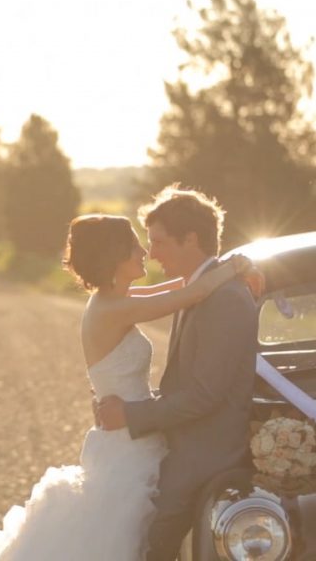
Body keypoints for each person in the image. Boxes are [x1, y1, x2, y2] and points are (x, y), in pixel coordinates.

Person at [0, 201, 251, 560]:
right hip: (127, 437)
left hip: (137, 429)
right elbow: (191, 293)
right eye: (136, 246)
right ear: (115, 257)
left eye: (151, 243)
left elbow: (182, 287)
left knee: (135, 534)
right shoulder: (113, 309)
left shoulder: (117, 299)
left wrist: (223, 270)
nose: (145, 253)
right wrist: (239, 265)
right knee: (124, 536)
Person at [98, 186, 259, 561]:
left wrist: (131, 414)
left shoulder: (224, 299)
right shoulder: (202, 288)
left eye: (160, 242)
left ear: (191, 239)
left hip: (204, 456)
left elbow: (205, 395)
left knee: (145, 541)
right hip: (184, 445)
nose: (152, 254)